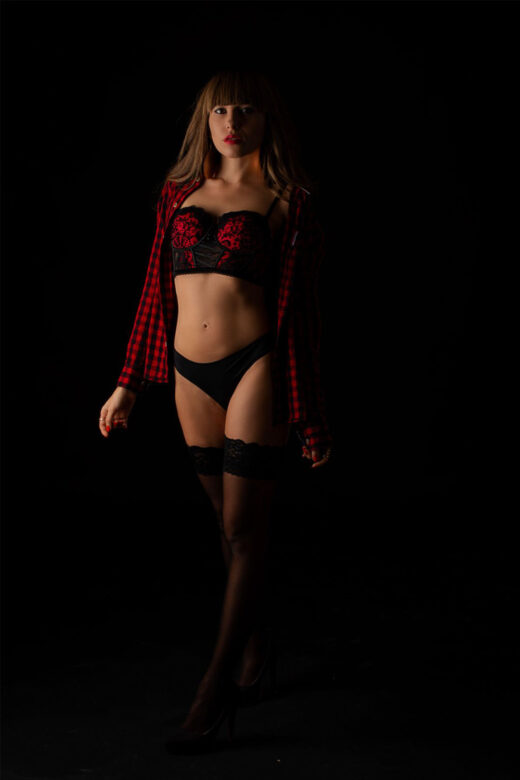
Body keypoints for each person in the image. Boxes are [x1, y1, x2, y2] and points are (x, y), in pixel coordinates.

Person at [98, 69, 333, 752]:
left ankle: (215, 687)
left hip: (256, 364)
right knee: (228, 529)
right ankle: (256, 643)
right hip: (187, 373)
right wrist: (127, 385)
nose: (232, 122)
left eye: (247, 110)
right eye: (221, 110)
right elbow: (153, 293)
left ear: (267, 121)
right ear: (205, 120)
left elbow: (302, 314)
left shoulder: (290, 202)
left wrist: (310, 414)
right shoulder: (178, 196)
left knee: (242, 527)